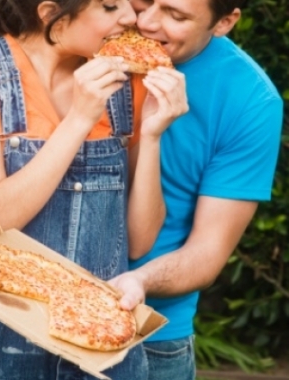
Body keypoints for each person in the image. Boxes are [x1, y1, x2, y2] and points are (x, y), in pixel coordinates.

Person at [0, 0, 188, 378]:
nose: (132, 18)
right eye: (109, 6)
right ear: (50, 12)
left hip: (101, 339)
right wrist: (79, 118)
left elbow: (139, 241)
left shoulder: (124, 80)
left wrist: (151, 136)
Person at [108, 0, 284, 379]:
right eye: (145, 2)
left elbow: (206, 253)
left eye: (176, 15)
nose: (147, 22)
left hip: (148, 334)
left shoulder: (251, 101)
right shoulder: (92, 32)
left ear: (224, 22)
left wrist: (139, 280)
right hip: (26, 302)